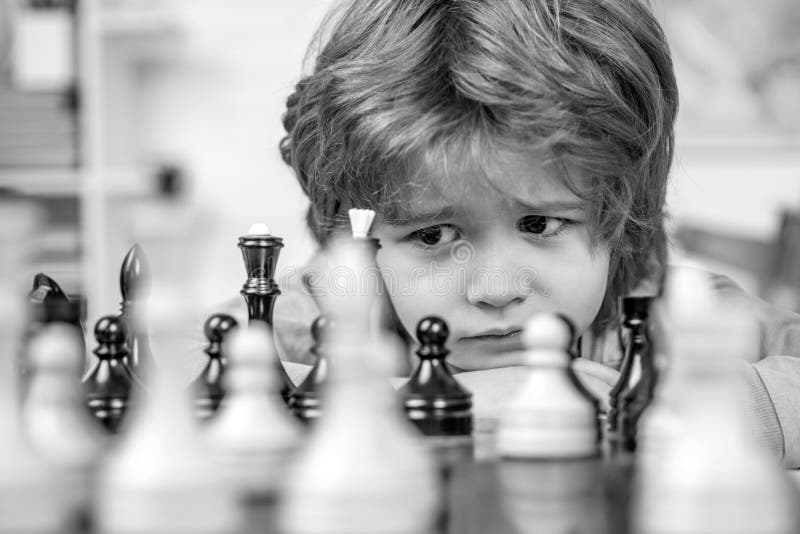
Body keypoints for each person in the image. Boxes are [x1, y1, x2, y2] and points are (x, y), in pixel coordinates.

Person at [266, 0, 800, 466]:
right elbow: (190, 366)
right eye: (431, 236)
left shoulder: (679, 315)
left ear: (621, 215)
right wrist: (439, 406)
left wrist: (646, 408)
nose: (496, 289)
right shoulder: (333, 307)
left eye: (539, 224)